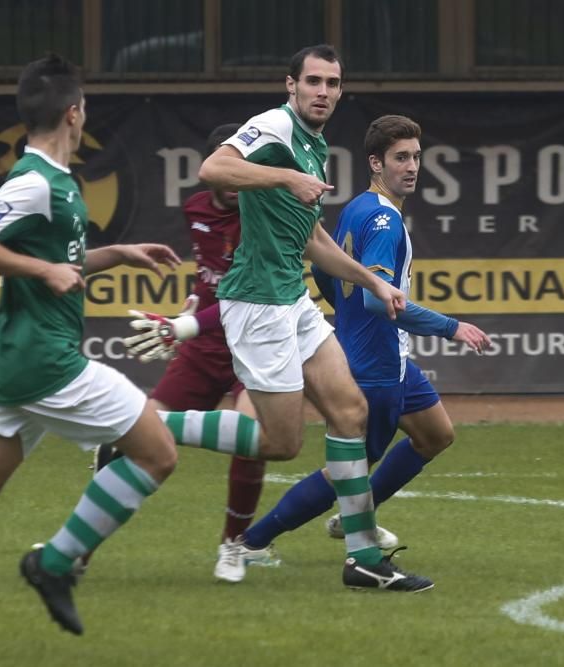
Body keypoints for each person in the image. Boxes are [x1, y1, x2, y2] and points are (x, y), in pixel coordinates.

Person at [0, 54, 261, 657]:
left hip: (18, 363)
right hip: (45, 363)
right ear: (74, 113)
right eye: (83, 105)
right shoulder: (35, 181)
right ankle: (57, 562)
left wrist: (115, 253)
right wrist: (40, 267)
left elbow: (61, 267)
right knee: (156, 453)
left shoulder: (58, 186)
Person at [132, 45, 433, 592]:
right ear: (290, 84)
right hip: (257, 305)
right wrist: (283, 178)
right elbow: (212, 168)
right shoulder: (274, 124)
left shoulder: (313, 145)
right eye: (313, 81)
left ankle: (363, 560)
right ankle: (135, 425)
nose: (323, 91)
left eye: (333, 83)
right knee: (281, 443)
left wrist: (372, 280)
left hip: (291, 298)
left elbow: (314, 240)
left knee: (350, 411)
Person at [229, 114, 491, 581]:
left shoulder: (356, 208)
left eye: (415, 157)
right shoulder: (386, 220)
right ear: (376, 163)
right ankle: (251, 541)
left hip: (390, 358)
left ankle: (350, 516)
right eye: (400, 158)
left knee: (435, 435)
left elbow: (330, 272)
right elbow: (378, 300)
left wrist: (346, 313)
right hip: (375, 365)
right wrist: (452, 327)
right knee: (345, 470)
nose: (411, 166)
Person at [91, 123, 279, 582]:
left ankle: (233, 545)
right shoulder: (194, 207)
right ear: (210, 172)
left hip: (252, 344)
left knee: (253, 439)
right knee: (139, 438)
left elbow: (248, 293)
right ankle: (78, 544)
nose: (236, 180)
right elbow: (209, 277)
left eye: (244, 169)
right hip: (204, 343)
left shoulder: (264, 213)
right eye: (228, 169)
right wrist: (190, 310)